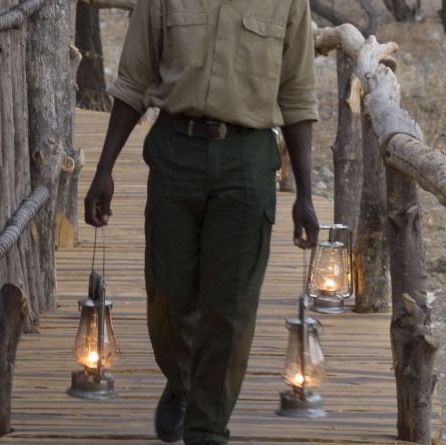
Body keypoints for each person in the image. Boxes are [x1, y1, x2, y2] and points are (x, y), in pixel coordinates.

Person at [83, 0, 319, 444]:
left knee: (230, 307)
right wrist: (104, 169)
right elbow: (134, 79)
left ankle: (208, 428)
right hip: (175, 152)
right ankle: (183, 382)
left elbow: (297, 93)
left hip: (247, 162)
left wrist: (305, 194)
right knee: (167, 297)